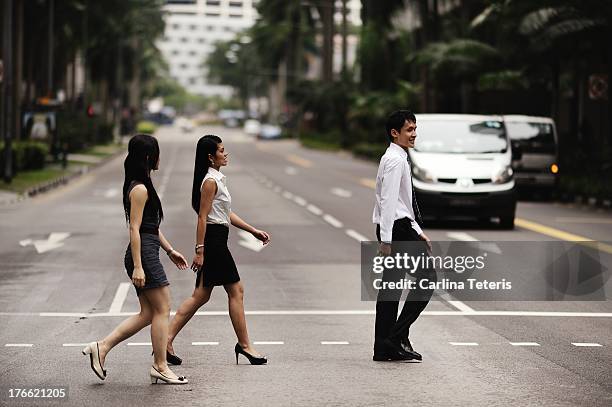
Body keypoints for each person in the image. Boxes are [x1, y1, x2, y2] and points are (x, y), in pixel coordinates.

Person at [82, 134, 190, 384]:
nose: (160, 158)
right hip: (144, 255)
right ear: (149, 157)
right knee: (163, 308)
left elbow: (150, 227)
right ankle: (161, 366)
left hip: (148, 250)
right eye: (158, 153)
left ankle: (102, 347)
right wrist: (139, 266)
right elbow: (134, 228)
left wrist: (170, 250)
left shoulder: (140, 184)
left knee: (148, 314)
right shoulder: (140, 189)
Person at [166, 135, 271, 365]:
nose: (226, 154)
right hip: (213, 241)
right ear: (211, 157)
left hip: (217, 238)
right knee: (236, 291)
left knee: (201, 295)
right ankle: (244, 346)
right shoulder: (210, 182)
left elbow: (224, 214)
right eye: (222, 151)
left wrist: (252, 230)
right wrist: (200, 250)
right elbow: (203, 217)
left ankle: (165, 339)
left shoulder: (217, 179)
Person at [372, 110, 435, 362]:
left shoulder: (394, 157)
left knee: (391, 287)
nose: (414, 134)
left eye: (415, 129)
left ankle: (384, 345)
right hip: (396, 229)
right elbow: (387, 202)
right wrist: (386, 239)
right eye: (409, 130)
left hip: (398, 226)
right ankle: (395, 337)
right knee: (427, 278)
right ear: (394, 133)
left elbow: (399, 202)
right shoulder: (396, 160)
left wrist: (417, 231)